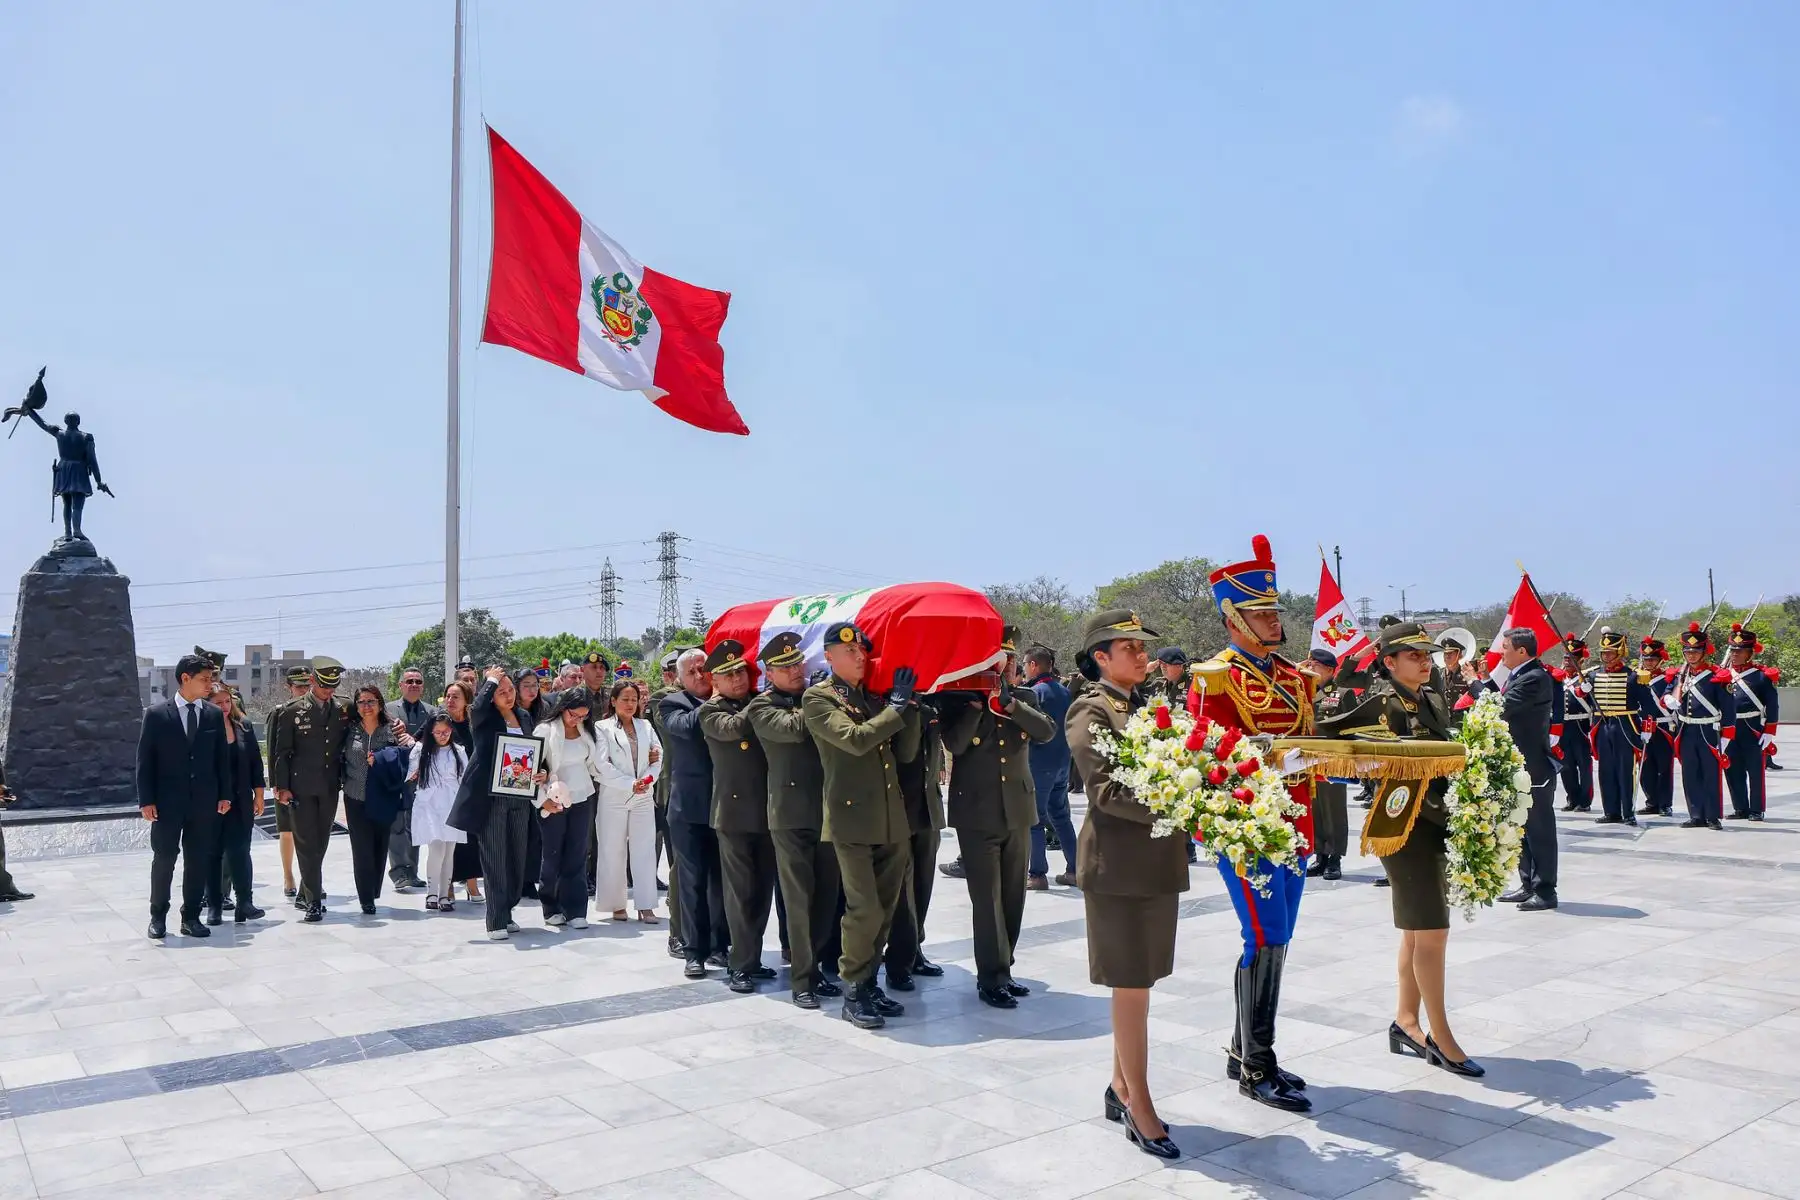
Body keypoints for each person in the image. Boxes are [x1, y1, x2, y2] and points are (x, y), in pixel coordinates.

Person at [1190, 535, 1316, 1114]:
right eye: (1262, 612)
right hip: (1249, 828)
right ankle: (1255, 1066)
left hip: (1296, 826)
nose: (1273, 620)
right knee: (1263, 937)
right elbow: (1209, 753)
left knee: (1276, 939)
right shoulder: (1214, 677)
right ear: (1234, 618)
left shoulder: (1294, 675)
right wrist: (1273, 754)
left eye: (1273, 612)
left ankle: (1248, 1048)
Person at [1065, 610, 1185, 1159]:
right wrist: (1181, 802)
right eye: (1129, 646)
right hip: (1119, 865)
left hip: (1155, 859)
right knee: (1131, 983)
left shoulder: (1149, 706)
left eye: (1144, 646)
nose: (1142, 654)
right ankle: (1140, 1102)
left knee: (1143, 979)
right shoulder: (1091, 709)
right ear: (1101, 657)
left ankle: (1119, 1084)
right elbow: (1104, 790)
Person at [1355, 622, 1485, 1080]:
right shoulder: (1382, 705)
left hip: (1435, 820)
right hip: (1405, 823)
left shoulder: (1430, 696)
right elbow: (1383, 768)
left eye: (1427, 654)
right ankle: (1442, 1037)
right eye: (1414, 655)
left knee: (1416, 931)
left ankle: (1406, 1022)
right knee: (1432, 931)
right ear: (1389, 662)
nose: (1425, 661)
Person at [803, 621, 921, 1031]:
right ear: (829, 657)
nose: (859, 657)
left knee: (886, 910)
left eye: (862, 652)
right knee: (864, 909)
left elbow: (905, 754)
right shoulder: (818, 699)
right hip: (850, 820)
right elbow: (853, 739)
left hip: (890, 819)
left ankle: (869, 982)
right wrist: (897, 709)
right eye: (848, 651)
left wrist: (913, 709)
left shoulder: (874, 699)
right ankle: (853, 988)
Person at [943, 655, 1056, 1008]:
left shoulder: (1024, 697)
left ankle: (1004, 969)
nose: (1003, 671)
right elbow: (955, 744)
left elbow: (1046, 731)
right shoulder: (956, 698)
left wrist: (1009, 704)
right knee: (987, 899)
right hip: (977, 813)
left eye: (1008, 665)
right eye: (996, 664)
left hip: (1018, 810)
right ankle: (989, 977)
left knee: (1012, 896)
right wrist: (978, 708)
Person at [746, 632, 842, 1009]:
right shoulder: (761, 707)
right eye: (786, 666)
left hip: (827, 811)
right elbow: (794, 728)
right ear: (769, 672)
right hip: (789, 815)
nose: (796, 670)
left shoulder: (813, 698)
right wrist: (821, 699)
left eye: (798, 662)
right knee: (799, 899)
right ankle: (801, 978)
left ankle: (816, 967)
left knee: (826, 898)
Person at [699, 640, 780, 993]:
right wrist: (763, 700)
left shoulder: (756, 704)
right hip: (733, 815)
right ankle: (740, 964)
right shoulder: (710, 711)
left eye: (741, 672)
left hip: (766, 812)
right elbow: (733, 729)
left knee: (762, 893)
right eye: (728, 674)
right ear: (714, 680)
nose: (737, 679)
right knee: (740, 894)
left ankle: (753, 958)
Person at [136, 653, 232, 939]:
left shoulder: (212, 714)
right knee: (164, 859)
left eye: (211, 679)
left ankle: (191, 916)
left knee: (197, 860)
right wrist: (146, 800)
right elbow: (145, 761)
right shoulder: (156, 715)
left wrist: (224, 794)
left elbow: (221, 760)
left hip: (203, 802)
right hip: (167, 803)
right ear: (185, 679)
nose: (209, 685)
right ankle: (158, 916)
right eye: (204, 679)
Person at [448, 667, 545, 940]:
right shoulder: (484, 716)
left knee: (517, 855)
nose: (507, 696)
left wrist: (541, 771)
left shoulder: (524, 716)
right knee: (495, 858)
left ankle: (508, 910)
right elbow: (476, 705)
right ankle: (495, 920)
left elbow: (533, 752)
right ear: (491, 695)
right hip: (491, 797)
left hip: (520, 794)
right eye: (500, 692)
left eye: (510, 690)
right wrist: (490, 679)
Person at [1477, 629, 1560, 909]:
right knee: (1521, 827)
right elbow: (1503, 704)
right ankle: (1527, 883)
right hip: (1518, 764)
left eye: (1506, 648)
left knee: (1540, 830)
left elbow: (1500, 707)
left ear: (1522, 651)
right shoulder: (1522, 675)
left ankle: (1546, 890)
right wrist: (1484, 682)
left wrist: (1474, 685)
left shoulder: (1535, 678)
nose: (1502, 653)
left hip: (1534, 766)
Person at [268, 657, 352, 923]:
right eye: (325, 685)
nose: (329, 691)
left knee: (321, 843)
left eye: (333, 686)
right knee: (305, 843)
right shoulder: (291, 711)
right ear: (313, 681)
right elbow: (282, 753)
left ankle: (307, 890)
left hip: (329, 786)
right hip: (300, 788)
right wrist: (282, 787)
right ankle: (314, 901)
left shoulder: (344, 708)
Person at [662, 649, 728, 977]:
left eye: (705, 669)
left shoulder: (729, 700)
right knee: (691, 882)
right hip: (688, 809)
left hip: (726, 806)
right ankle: (693, 950)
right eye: (693, 672)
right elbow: (688, 728)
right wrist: (715, 700)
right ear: (680, 678)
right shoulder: (672, 704)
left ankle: (720, 946)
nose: (700, 676)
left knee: (722, 882)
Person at [885, 679, 946, 992]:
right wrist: (908, 707)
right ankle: (899, 960)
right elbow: (907, 753)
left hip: (927, 807)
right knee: (901, 891)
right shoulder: (892, 704)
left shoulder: (930, 704)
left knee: (923, 884)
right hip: (900, 808)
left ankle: (915, 948)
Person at [595, 679, 663, 923]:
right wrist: (628, 783)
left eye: (634, 699)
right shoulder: (602, 727)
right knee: (612, 850)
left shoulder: (645, 726)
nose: (630, 704)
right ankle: (616, 904)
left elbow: (658, 755)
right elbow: (602, 763)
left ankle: (645, 905)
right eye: (624, 699)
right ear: (613, 701)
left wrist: (648, 780)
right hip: (614, 795)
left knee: (644, 850)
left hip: (643, 795)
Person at [341, 685, 412, 915]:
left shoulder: (393, 728)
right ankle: (366, 898)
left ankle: (373, 890)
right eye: (361, 702)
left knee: (380, 847)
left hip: (383, 796)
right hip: (355, 795)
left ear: (380, 703)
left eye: (371, 701)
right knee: (361, 849)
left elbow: (409, 754)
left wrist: (381, 759)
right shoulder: (349, 729)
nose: (366, 706)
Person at [535, 686, 600, 928]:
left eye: (583, 716)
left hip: (583, 796)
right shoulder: (545, 730)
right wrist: (543, 801)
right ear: (563, 709)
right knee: (552, 854)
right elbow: (534, 769)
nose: (577, 720)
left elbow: (596, 763)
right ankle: (550, 905)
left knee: (577, 853)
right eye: (573, 715)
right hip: (554, 798)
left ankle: (575, 909)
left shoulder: (586, 731)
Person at [204, 683, 266, 924]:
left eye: (227, 702)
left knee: (241, 852)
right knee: (213, 853)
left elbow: (255, 764)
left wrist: (259, 795)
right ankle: (214, 905)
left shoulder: (243, 726)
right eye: (217, 703)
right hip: (212, 802)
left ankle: (245, 903)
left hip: (240, 801)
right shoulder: (202, 729)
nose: (224, 707)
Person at [1585, 629, 1656, 826]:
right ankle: (1611, 811)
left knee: (1626, 771)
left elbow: (1649, 707)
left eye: (1610, 653)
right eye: (1603, 653)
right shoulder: (1592, 676)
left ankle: (1628, 811)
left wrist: (1646, 728)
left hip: (1626, 726)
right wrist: (1583, 692)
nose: (1606, 657)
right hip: (1602, 726)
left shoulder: (1633, 677)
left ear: (1620, 653)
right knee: (1606, 770)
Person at [1671, 623, 1737, 830]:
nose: (1691, 655)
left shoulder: (1717, 676)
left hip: (1709, 730)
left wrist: (1727, 734)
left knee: (1710, 774)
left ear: (1704, 652)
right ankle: (1696, 814)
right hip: (1686, 730)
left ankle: (1712, 816)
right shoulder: (1681, 674)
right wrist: (1668, 698)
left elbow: (1728, 707)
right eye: (1687, 651)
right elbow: (1669, 691)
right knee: (1690, 773)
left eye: (1695, 651)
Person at [1024, 644, 1079, 889]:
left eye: (1025, 665)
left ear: (1034, 665)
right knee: (1061, 817)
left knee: (1034, 820)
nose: (1024, 670)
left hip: (1039, 762)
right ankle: (1075, 869)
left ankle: (1036, 874)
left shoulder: (1035, 693)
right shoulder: (1064, 691)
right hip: (1062, 763)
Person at [1300, 649, 1352, 881]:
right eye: (1309, 664)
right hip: (1309, 759)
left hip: (1332, 760)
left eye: (1315, 665)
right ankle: (1320, 853)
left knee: (1334, 809)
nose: (1310, 668)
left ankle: (1335, 858)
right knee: (1315, 809)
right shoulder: (1303, 692)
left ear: (1330, 670)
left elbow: (1352, 727)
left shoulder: (1342, 693)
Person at [409, 714, 468, 912]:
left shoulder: (458, 751)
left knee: (449, 850)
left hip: (451, 802)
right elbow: (411, 774)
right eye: (438, 732)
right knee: (436, 847)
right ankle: (431, 892)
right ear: (430, 732)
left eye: (446, 732)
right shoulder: (421, 751)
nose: (442, 736)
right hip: (430, 803)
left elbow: (464, 778)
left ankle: (445, 894)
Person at [386, 667, 436, 891]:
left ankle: (412, 871)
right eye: (410, 681)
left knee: (415, 825)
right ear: (401, 685)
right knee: (396, 826)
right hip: (396, 777)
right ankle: (399, 872)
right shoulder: (388, 710)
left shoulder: (433, 712)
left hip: (422, 779)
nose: (414, 685)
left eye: (418, 681)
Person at [1722, 625, 1780, 822]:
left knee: (1755, 770)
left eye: (1740, 651)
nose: (1735, 654)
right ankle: (1740, 808)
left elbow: (1772, 704)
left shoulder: (1761, 676)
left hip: (1752, 727)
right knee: (1732, 769)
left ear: (1750, 653)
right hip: (1729, 728)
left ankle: (1756, 809)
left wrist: (1770, 730)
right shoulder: (1723, 674)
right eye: (1733, 650)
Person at [650, 650, 686, 959]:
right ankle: (678, 930)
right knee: (678, 865)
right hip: (672, 788)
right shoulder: (665, 698)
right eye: (683, 669)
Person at [266, 665, 313, 898]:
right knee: (287, 831)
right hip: (287, 781)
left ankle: (311, 879)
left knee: (311, 833)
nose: (304, 690)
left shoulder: (320, 709)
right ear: (289, 687)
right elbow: (274, 751)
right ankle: (288, 875)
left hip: (312, 780)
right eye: (299, 686)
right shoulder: (280, 711)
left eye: (307, 685)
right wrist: (276, 784)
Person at [442, 681, 483, 902]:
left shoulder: (474, 725)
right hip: (446, 791)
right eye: (448, 696)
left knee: (471, 839)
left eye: (455, 696)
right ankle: (446, 884)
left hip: (471, 789)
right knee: (448, 839)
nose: (450, 700)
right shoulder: (439, 723)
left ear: (466, 700)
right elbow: (418, 741)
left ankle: (472, 884)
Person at [1637, 638, 1678, 817]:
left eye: (1653, 659)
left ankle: (1665, 804)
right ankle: (1651, 801)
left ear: (1660, 660)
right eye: (1646, 659)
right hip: (1642, 728)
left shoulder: (1669, 679)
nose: (1649, 662)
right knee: (1645, 768)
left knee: (1664, 768)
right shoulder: (1636, 677)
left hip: (1662, 728)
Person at [1557, 634, 1597, 813]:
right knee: (1566, 766)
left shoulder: (1587, 678)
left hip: (1580, 726)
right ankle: (1572, 798)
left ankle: (1585, 800)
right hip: (1563, 727)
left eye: (1572, 658)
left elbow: (1589, 700)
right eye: (1566, 658)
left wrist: (1584, 690)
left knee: (1583, 765)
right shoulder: (1559, 679)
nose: (1567, 662)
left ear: (1580, 661)